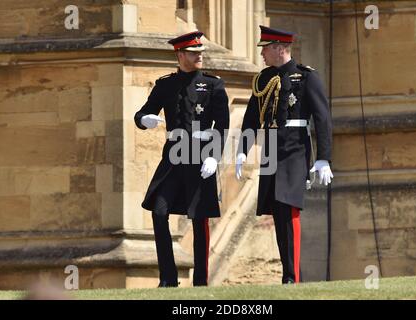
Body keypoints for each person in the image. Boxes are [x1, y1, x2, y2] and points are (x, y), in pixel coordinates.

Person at [235, 25, 333, 284]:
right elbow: (251, 119)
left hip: (295, 148)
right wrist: (242, 152)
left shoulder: (307, 77)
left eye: (265, 49)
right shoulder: (263, 79)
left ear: (279, 48)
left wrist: (324, 157)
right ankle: (288, 274)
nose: (262, 54)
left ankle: (293, 277)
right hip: (271, 149)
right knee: (277, 211)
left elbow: (322, 118)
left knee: (289, 209)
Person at [134, 31, 230, 287]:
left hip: (200, 156)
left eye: (200, 52)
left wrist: (214, 157)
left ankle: (200, 282)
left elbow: (222, 125)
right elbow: (143, 112)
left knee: (199, 218)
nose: (199, 56)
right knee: (158, 211)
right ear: (180, 55)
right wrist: (144, 120)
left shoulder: (213, 84)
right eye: (193, 53)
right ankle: (168, 278)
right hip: (173, 157)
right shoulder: (165, 84)